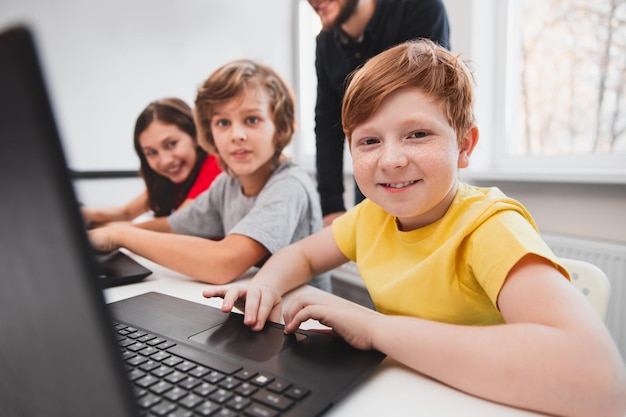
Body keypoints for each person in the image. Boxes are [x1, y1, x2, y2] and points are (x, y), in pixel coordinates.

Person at [203, 40, 626, 417]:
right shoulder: (372, 215)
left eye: (417, 134)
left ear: (464, 146)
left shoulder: (489, 227)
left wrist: (374, 328)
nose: (391, 160)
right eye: (369, 141)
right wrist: (267, 285)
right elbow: (304, 254)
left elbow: (601, 383)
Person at [88, 60, 330, 290]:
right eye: (223, 123)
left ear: (280, 128)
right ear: (209, 132)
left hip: (301, 323)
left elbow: (224, 263)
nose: (237, 135)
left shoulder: (288, 185)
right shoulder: (227, 183)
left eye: (252, 120)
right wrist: (107, 231)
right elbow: (174, 227)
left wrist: (120, 234)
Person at [308, 0, 450, 226]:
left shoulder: (420, 7)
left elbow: (432, 104)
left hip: (423, 174)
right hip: (373, 178)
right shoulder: (325, 43)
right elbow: (327, 124)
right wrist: (331, 206)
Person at [81, 98, 221, 227]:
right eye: (151, 152)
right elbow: (126, 213)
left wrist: (113, 232)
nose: (165, 161)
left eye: (171, 144)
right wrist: (84, 214)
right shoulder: (170, 180)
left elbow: (176, 224)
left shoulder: (216, 164)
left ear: (195, 136)